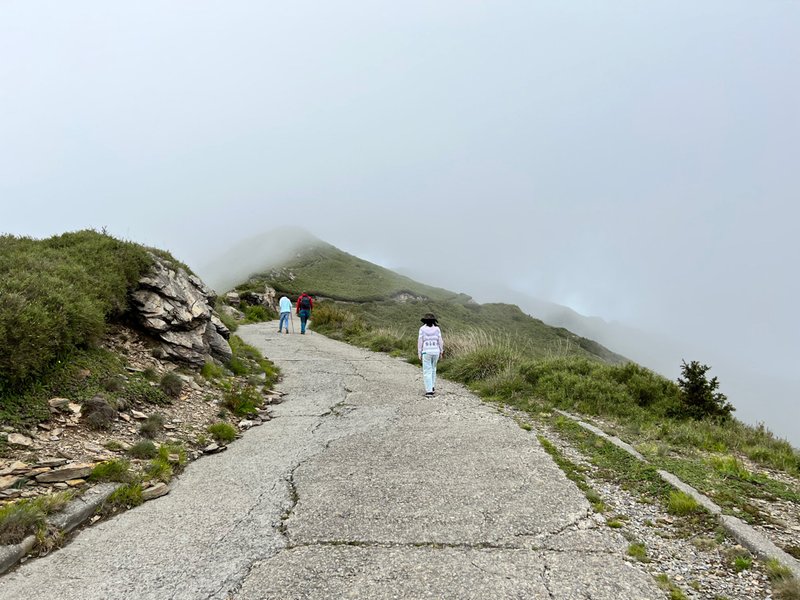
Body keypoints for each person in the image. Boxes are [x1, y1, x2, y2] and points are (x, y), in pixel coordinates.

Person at [418, 312, 444, 397]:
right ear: (433, 321)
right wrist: (441, 351)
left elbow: (420, 341)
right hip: (436, 351)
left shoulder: (422, 329)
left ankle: (429, 391)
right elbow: (440, 341)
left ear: (425, 321)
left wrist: (419, 352)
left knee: (427, 370)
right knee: (433, 369)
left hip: (426, 351)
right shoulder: (437, 329)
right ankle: (432, 387)